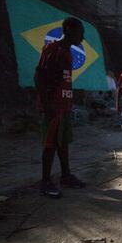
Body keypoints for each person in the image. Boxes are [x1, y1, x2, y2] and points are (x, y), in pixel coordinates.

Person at [34, 17, 86, 199]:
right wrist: (48, 105)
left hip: (64, 107)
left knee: (63, 142)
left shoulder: (67, 52)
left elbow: (63, 80)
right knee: (50, 144)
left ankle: (65, 176)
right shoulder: (52, 49)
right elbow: (39, 77)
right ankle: (45, 182)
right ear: (70, 30)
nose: (83, 37)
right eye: (81, 32)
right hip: (53, 107)